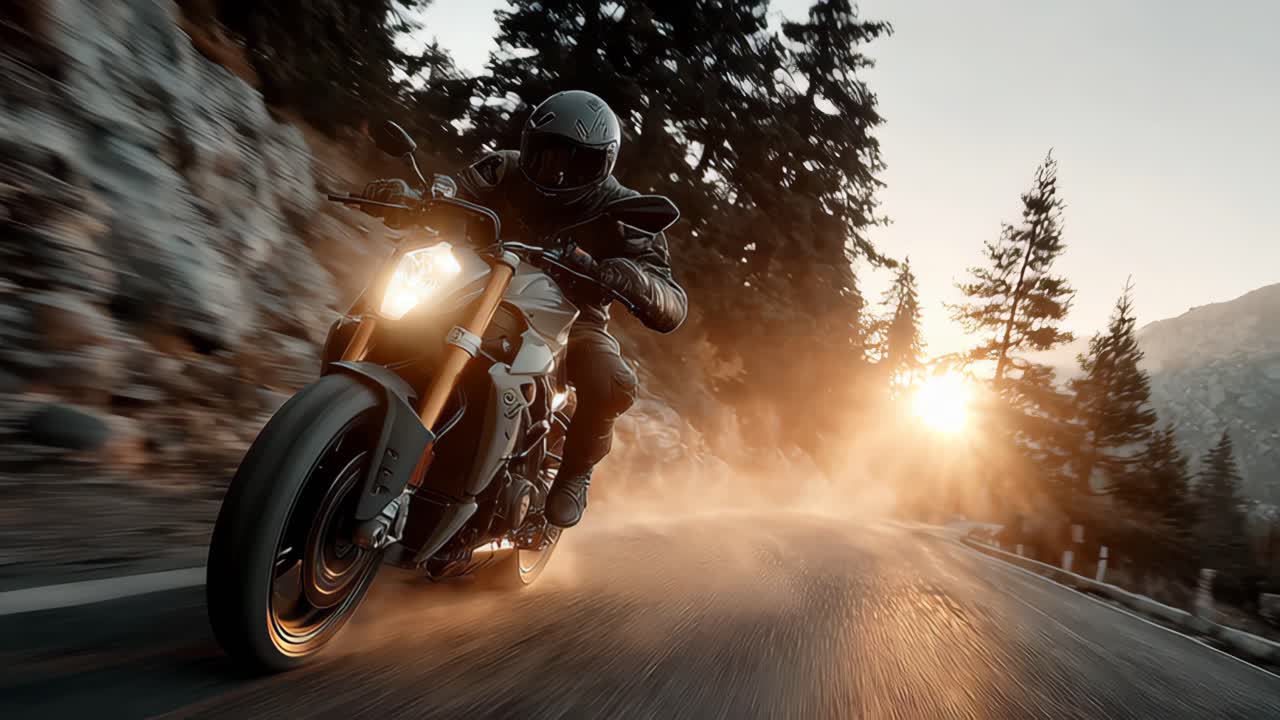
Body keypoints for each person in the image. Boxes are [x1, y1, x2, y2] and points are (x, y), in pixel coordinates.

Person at [361, 90, 688, 528]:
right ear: (531, 143)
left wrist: (629, 277)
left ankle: (574, 473)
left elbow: (672, 301)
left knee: (610, 379)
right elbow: (452, 191)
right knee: (392, 302)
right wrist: (406, 198)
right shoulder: (505, 166)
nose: (557, 171)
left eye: (577, 162)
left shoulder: (624, 211)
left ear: (603, 164)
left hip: (568, 316)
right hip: (473, 284)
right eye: (548, 154)